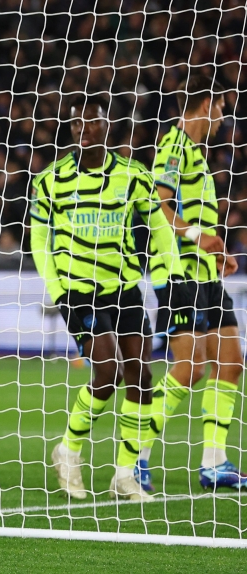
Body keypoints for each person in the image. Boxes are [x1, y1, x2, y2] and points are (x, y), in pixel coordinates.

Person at [30, 94, 190, 503]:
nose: (83, 131)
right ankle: (69, 451)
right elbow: (39, 237)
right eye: (76, 125)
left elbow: (158, 226)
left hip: (125, 289)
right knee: (108, 371)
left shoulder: (133, 176)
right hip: (79, 294)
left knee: (142, 376)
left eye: (92, 123)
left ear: (107, 126)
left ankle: (125, 473)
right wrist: (56, 287)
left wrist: (171, 273)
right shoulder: (50, 179)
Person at [140, 76, 245, 490]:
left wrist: (215, 248)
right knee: (189, 369)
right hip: (178, 271)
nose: (223, 115)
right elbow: (157, 205)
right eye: (221, 106)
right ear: (206, 104)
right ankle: (136, 457)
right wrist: (194, 236)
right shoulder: (174, 145)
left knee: (231, 361)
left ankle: (214, 464)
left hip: (205, 271)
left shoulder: (197, 155)